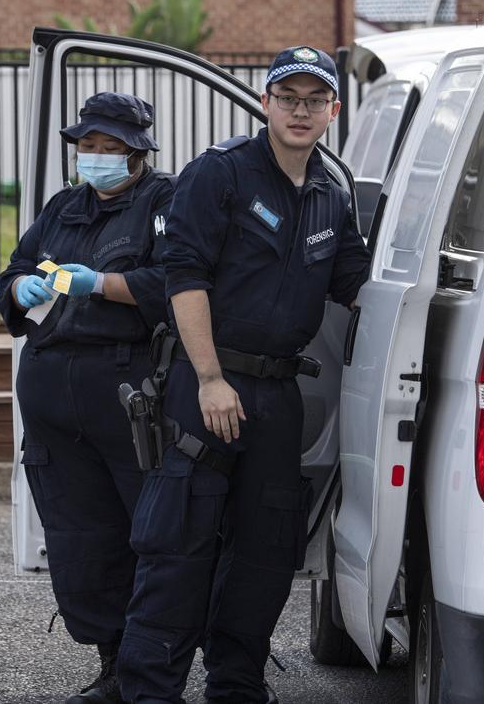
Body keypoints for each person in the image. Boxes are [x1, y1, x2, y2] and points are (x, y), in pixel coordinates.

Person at [117, 47, 371, 704]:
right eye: (288, 96)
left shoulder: (329, 197)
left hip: (276, 396)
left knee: (263, 559)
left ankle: (236, 685)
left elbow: (356, 285)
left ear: (333, 112)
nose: (300, 110)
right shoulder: (221, 173)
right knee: (179, 550)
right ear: (265, 102)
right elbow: (185, 274)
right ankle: (148, 690)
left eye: (315, 100)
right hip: (206, 386)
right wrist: (208, 377)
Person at [0, 92, 175, 704]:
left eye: (111, 147)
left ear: (138, 151)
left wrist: (104, 284)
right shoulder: (63, 206)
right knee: (78, 537)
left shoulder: (163, 202)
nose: (97, 157)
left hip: (125, 388)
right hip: (52, 385)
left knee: (144, 534)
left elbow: (177, 283)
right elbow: (14, 269)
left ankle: (145, 670)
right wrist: (20, 287)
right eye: (88, 146)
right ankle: (110, 663)